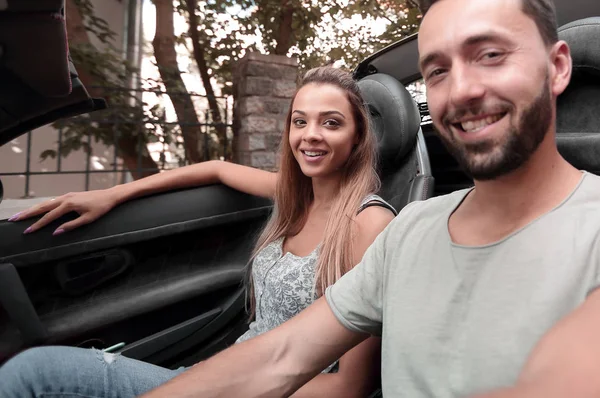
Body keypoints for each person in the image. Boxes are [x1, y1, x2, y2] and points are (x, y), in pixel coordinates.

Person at [71, 0, 598, 396]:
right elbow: (281, 355)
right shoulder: (411, 231)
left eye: (490, 54)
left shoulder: (378, 224)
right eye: (437, 69)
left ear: (557, 67)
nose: (460, 89)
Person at [0, 67, 396, 397]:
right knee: (32, 371)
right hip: (223, 373)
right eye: (300, 121)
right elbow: (216, 168)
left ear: (358, 136)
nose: (310, 134)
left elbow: (349, 385)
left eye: (331, 122)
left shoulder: (369, 224)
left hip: (254, 390)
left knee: (37, 376)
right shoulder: (295, 194)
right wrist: (113, 194)